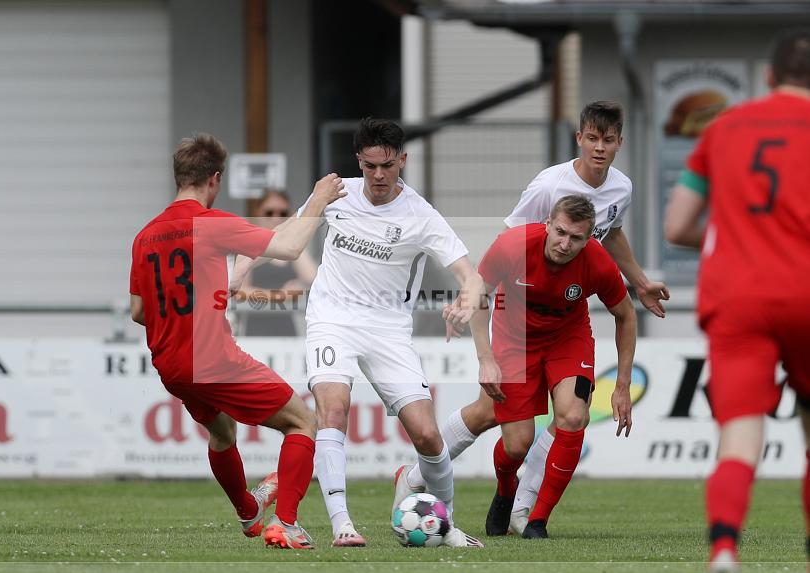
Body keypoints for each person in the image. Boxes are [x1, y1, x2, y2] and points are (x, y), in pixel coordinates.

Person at [398, 101, 668, 536]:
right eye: (592, 138)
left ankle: (528, 512)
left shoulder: (620, 192)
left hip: (567, 316)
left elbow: (611, 234)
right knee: (498, 420)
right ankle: (421, 476)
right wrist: (469, 304)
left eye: (608, 140)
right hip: (518, 313)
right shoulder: (549, 187)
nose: (599, 148)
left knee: (571, 414)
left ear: (620, 143)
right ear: (579, 138)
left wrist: (638, 281)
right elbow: (509, 243)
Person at [234, 118, 486, 548]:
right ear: (359, 162)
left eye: (388, 165)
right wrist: (238, 273)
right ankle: (342, 524)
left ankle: (445, 526)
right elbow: (283, 235)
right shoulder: (337, 194)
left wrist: (466, 298)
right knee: (333, 409)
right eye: (370, 166)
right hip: (332, 318)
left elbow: (470, 273)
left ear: (402, 160)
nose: (379, 176)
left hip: (389, 329)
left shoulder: (421, 214)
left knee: (427, 434)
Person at [129, 133, 345, 550]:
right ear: (215, 179)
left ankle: (249, 511)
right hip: (212, 359)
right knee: (303, 423)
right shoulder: (211, 224)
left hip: (171, 366)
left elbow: (139, 312)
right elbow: (289, 245)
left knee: (222, 433)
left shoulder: (145, 236)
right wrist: (319, 198)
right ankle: (286, 523)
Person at [664, 29, 810, 573]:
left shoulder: (723, 129)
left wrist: (741, 238)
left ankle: (726, 551)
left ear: (768, 78)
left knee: (739, 443)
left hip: (739, 298)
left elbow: (677, 226)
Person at [407, 195, 636, 540]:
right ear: (547, 224)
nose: (565, 243)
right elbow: (478, 293)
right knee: (517, 444)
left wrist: (622, 385)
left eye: (576, 238)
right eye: (560, 232)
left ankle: (536, 520)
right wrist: (486, 359)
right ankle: (505, 489)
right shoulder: (513, 246)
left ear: (589, 239)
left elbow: (626, 315)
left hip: (568, 340)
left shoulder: (597, 263)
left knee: (573, 416)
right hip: (515, 339)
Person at [241, 190, 317, 336]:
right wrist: (279, 296)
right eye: (269, 212)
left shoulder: (290, 248)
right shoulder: (249, 244)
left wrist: (291, 234)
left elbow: (312, 278)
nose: (276, 218)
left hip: (286, 328)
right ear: (258, 213)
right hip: (256, 327)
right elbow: (239, 290)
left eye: (283, 213)